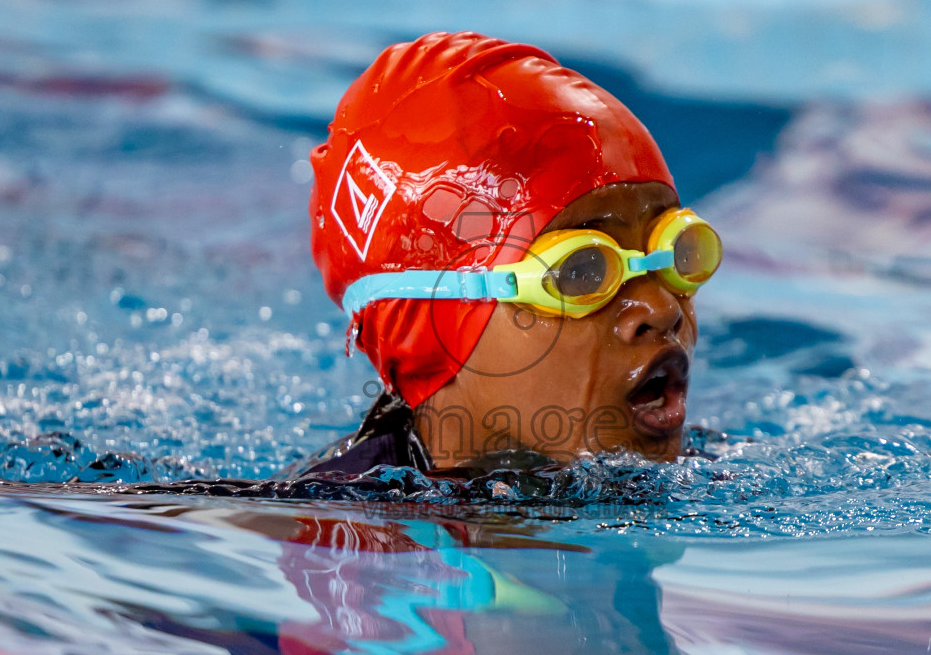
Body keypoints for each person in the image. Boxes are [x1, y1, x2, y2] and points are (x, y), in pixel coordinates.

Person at [292, 31, 722, 477]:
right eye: (582, 270)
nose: (663, 307)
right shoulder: (330, 530)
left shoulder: (717, 474)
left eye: (674, 252)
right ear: (432, 336)